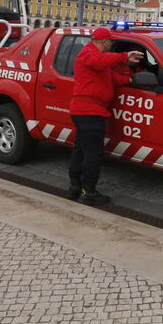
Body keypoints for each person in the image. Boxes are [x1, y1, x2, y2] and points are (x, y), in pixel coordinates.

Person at [68, 27, 144, 205]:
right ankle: (89, 191)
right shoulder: (89, 53)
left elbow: (112, 77)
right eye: (110, 42)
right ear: (103, 41)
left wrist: (132, 80)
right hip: (89, 111)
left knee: (80, 150)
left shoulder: (97, 59)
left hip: (88, 111)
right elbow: (100, 62)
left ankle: (75, 187)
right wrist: (124, 56)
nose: (111, 45)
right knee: (93, 154)